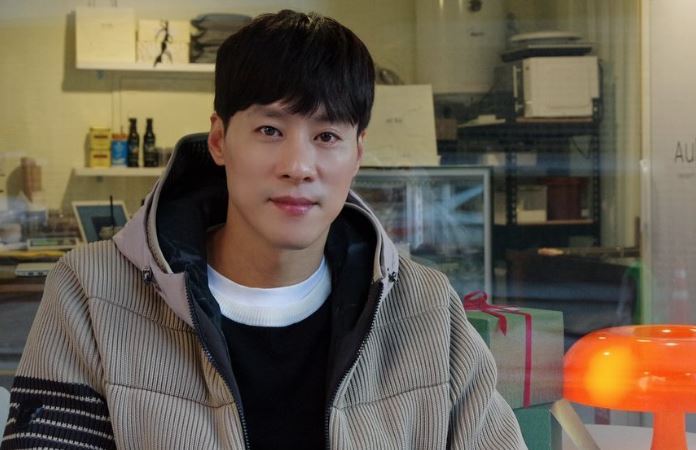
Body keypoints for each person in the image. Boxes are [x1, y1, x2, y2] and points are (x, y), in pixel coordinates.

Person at [2, 10, 525, 450]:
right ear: (219, 140)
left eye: (326, 135)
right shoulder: (93, 292)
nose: (298, 166)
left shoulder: (425, 309)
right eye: (270, 130)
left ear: (357, 154)